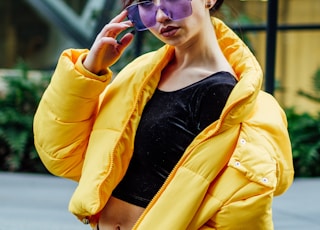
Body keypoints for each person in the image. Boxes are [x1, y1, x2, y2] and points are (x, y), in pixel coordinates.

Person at [33, 0, 294, 229]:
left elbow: (235, 214)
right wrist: (90, 71)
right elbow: (62, 154)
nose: (160, 16)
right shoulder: (142, 74)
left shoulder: (222, 94)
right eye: (146, 4)